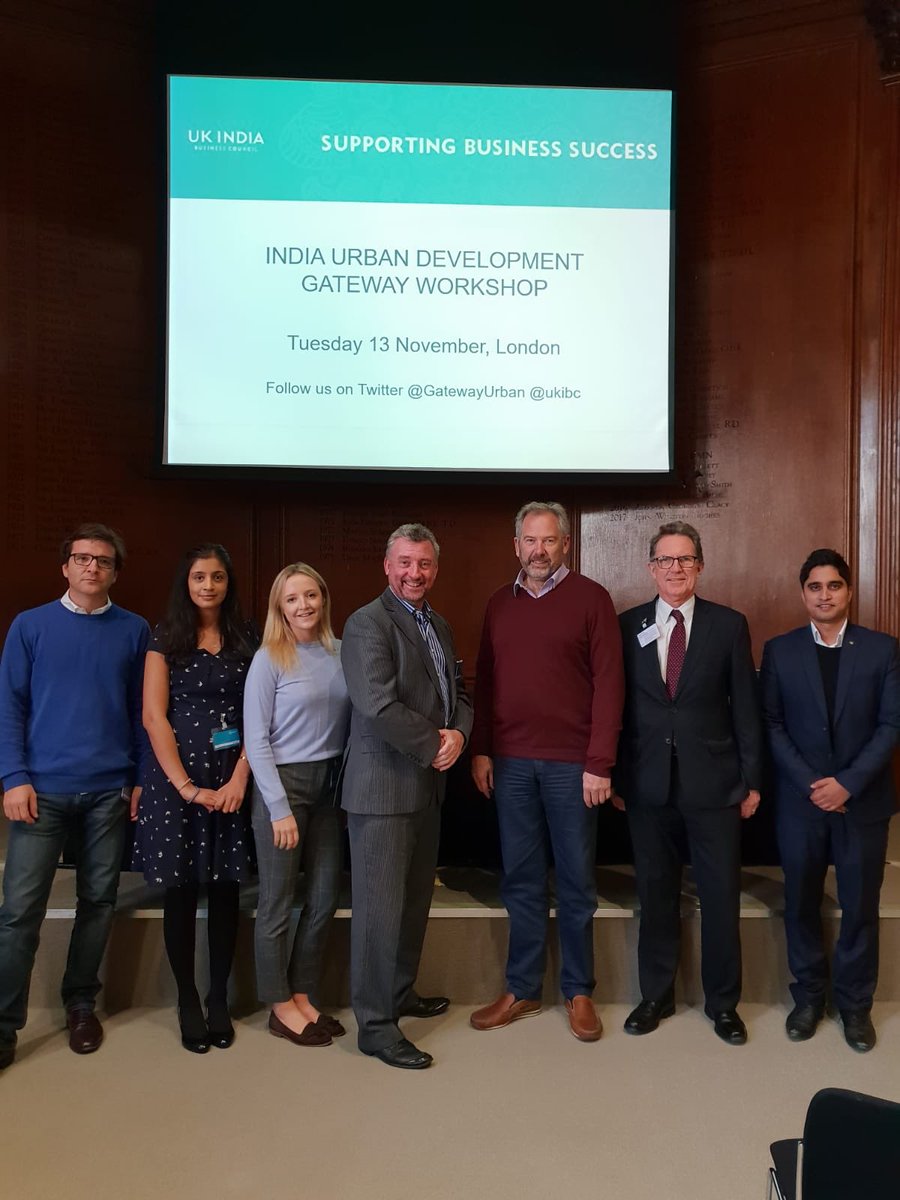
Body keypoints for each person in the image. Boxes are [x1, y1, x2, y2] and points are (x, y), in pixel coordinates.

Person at [469, 501, 624, 1041]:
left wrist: (599, 761)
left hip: (572, 767)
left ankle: (579, 991)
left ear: (566, 544)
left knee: (577, 882)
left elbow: (610, 684)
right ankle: (523, 988)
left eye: (550, 540)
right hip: (511, 764)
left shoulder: (592, 599)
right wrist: (482, 750)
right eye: (530, 541)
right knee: (521, 880)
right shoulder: (499, 603)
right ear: (517, 546)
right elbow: (486, 682)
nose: (539, 551)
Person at [0, 523, 149, 1070]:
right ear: (65, 567)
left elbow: (141, 711)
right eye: (83, 558)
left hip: (109, 792)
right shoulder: (30, 626)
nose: (92, 567)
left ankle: (81, 1003)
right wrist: (13, 777)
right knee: (19, 912)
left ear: (115, 572)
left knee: (99, 903)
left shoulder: (134, 630)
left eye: (103, 561)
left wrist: (140, 778)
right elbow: (9, 705)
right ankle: (3, 1024)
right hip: (40, 792)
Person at [615, 521, 762, 1045]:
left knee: (720, 898)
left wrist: (753, 780)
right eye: (665, 560)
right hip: (647, 783)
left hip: (715, 784)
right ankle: (655, 996)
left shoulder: (729, 625)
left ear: (699, 565)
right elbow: (617, 707)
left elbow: (746, 707)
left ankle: (724, 1004)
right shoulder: (627, 625)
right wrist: (616, 775)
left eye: (684, 559)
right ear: (651, 568)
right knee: (655, 894)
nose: (674, 568)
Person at [340, 523, 473, 1069]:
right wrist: (436, 745)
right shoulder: (366, 623)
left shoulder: (438, 624)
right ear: (387, 566)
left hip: (426, 787)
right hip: (382, 790)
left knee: (413, 903)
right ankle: (375, 1027)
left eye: (423, 563)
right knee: (378, 913)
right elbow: (377, 704)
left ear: (434, 569)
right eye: (405, 562)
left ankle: (398, 993)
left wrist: (459, 733)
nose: (414, 573)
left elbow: (458, 692)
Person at [760, 549, 900, 1052]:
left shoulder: (883, 650)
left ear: (848, 591)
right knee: (800, 902)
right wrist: (813, 784)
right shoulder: (780, 651)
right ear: (804, 594)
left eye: (834, 585)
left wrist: (847, 783)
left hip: (862, 802)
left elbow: (891, 725)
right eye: (815, 587)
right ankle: (809, 997)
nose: (825, 595)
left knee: (860, 906)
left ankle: (855, 1005)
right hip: (801, 803)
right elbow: (771, 724)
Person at [133, 543, 256, 1053]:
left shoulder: (248, 637)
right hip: (175, 781)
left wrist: (240, 778)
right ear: (186, 582)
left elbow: (261, 713)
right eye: (199, 576)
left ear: (229, 582)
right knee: (180, 892)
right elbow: (153, 716)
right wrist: (186, 786)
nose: (209, 585)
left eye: (218, 577)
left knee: (226, 890)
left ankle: (219, 997)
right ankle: (187, 999)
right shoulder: (165, 635)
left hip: (231, 777)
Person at [243, 562, 350, 1049]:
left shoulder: (341, 652)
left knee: (324, 897)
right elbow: (256, 740)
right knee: (277, 902)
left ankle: (303, 993)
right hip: (282, 787)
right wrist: (278, 808)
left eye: (310, 595)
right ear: (280, 608)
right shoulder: (269, 659)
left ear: (323, 598)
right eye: (292, 599)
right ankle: (278, 1003)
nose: (303, 605)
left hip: (329, 788)